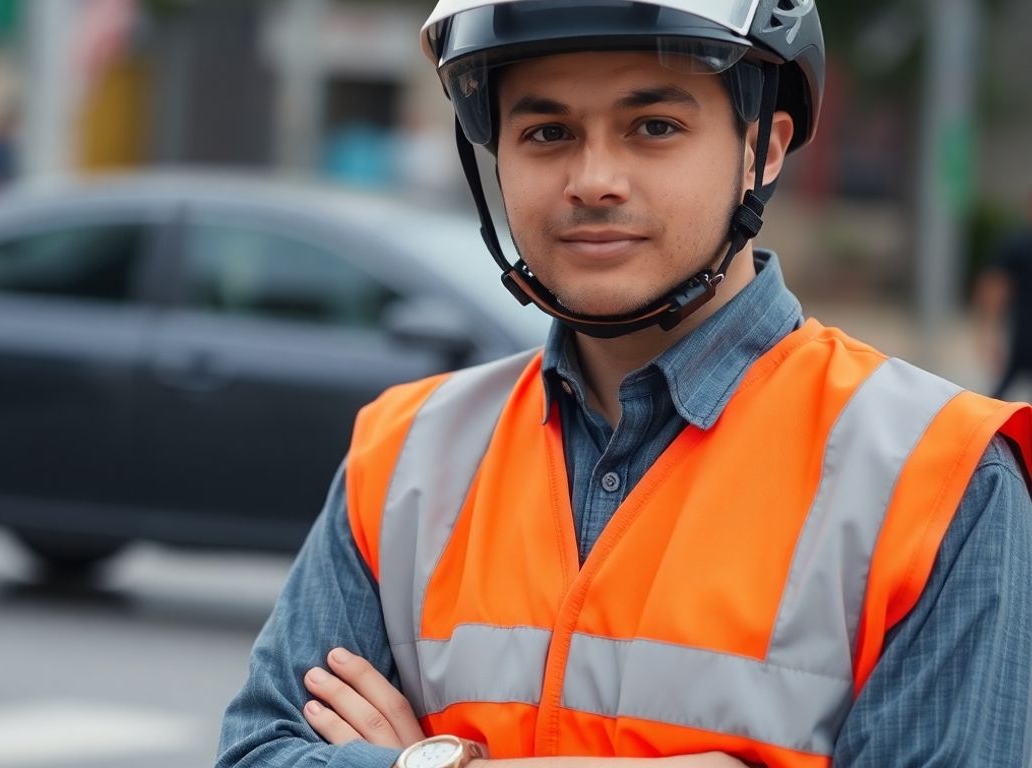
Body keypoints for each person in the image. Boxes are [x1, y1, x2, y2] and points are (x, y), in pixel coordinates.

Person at [219, 1, 1032, 766]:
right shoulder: (402, 455)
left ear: (767, 147)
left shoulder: (941, 478)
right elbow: (260, 751)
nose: (594, 180)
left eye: (654, 126)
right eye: (546, 132)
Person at [977, 191, 1032, 399]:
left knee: (999, 400)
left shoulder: (1016, 243)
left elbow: (994, 287)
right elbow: (995, 286)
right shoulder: (1018, 245)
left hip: (1023, 338)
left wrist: (987, 331)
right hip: (1023, 338)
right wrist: (988, 332)